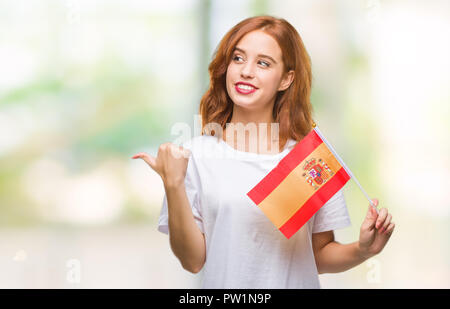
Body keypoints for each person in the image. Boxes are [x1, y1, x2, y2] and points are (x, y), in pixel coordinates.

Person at [132, 15, 395, 288]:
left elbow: (319, 253)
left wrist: (363, 250)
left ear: (285, 79)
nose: (246, 71)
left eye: (263, 63)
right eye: (237, 58)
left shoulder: (308, 160)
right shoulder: (194, 155)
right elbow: (193, 261)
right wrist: (173, 183)